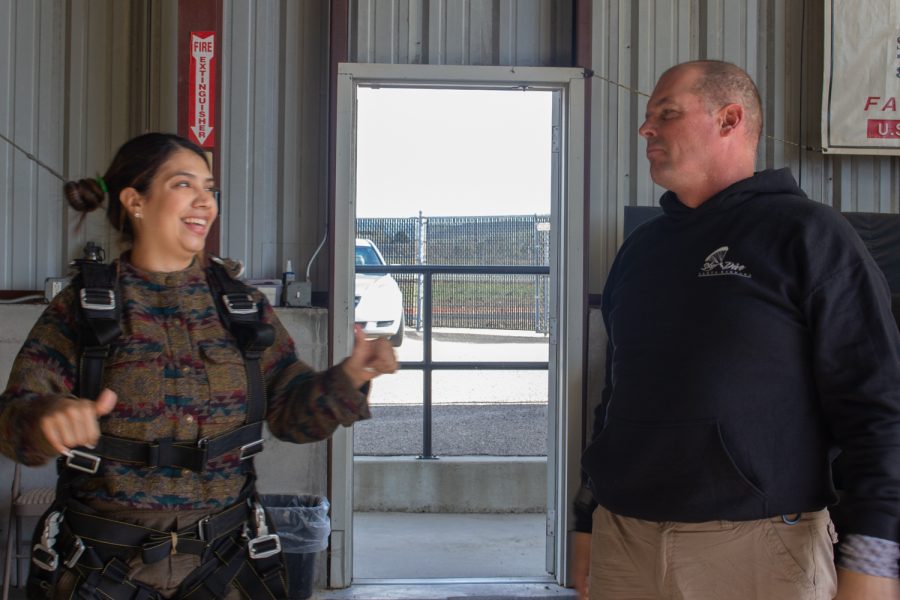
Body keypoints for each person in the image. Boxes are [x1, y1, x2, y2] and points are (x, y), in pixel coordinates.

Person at [0, 132, 398, 599]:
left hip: (225, 564)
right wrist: (45, 419)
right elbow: (12, 419)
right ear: (136, 201)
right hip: (101, 567)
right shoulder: (86, 307)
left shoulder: (241, 307)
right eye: (184, 184)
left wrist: (350, 377)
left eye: (209, 188)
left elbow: (292, 416)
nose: (204, 202)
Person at [572, 60, 900, 600]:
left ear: (729, 119)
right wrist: (587, 517)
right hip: (624, 540)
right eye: (649, 115)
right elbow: (615, 401)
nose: (645, 128)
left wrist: (872, 555)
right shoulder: (641, 249)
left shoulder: (809, 235)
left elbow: (877, 405)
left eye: (666, 113)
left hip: (758, 548)